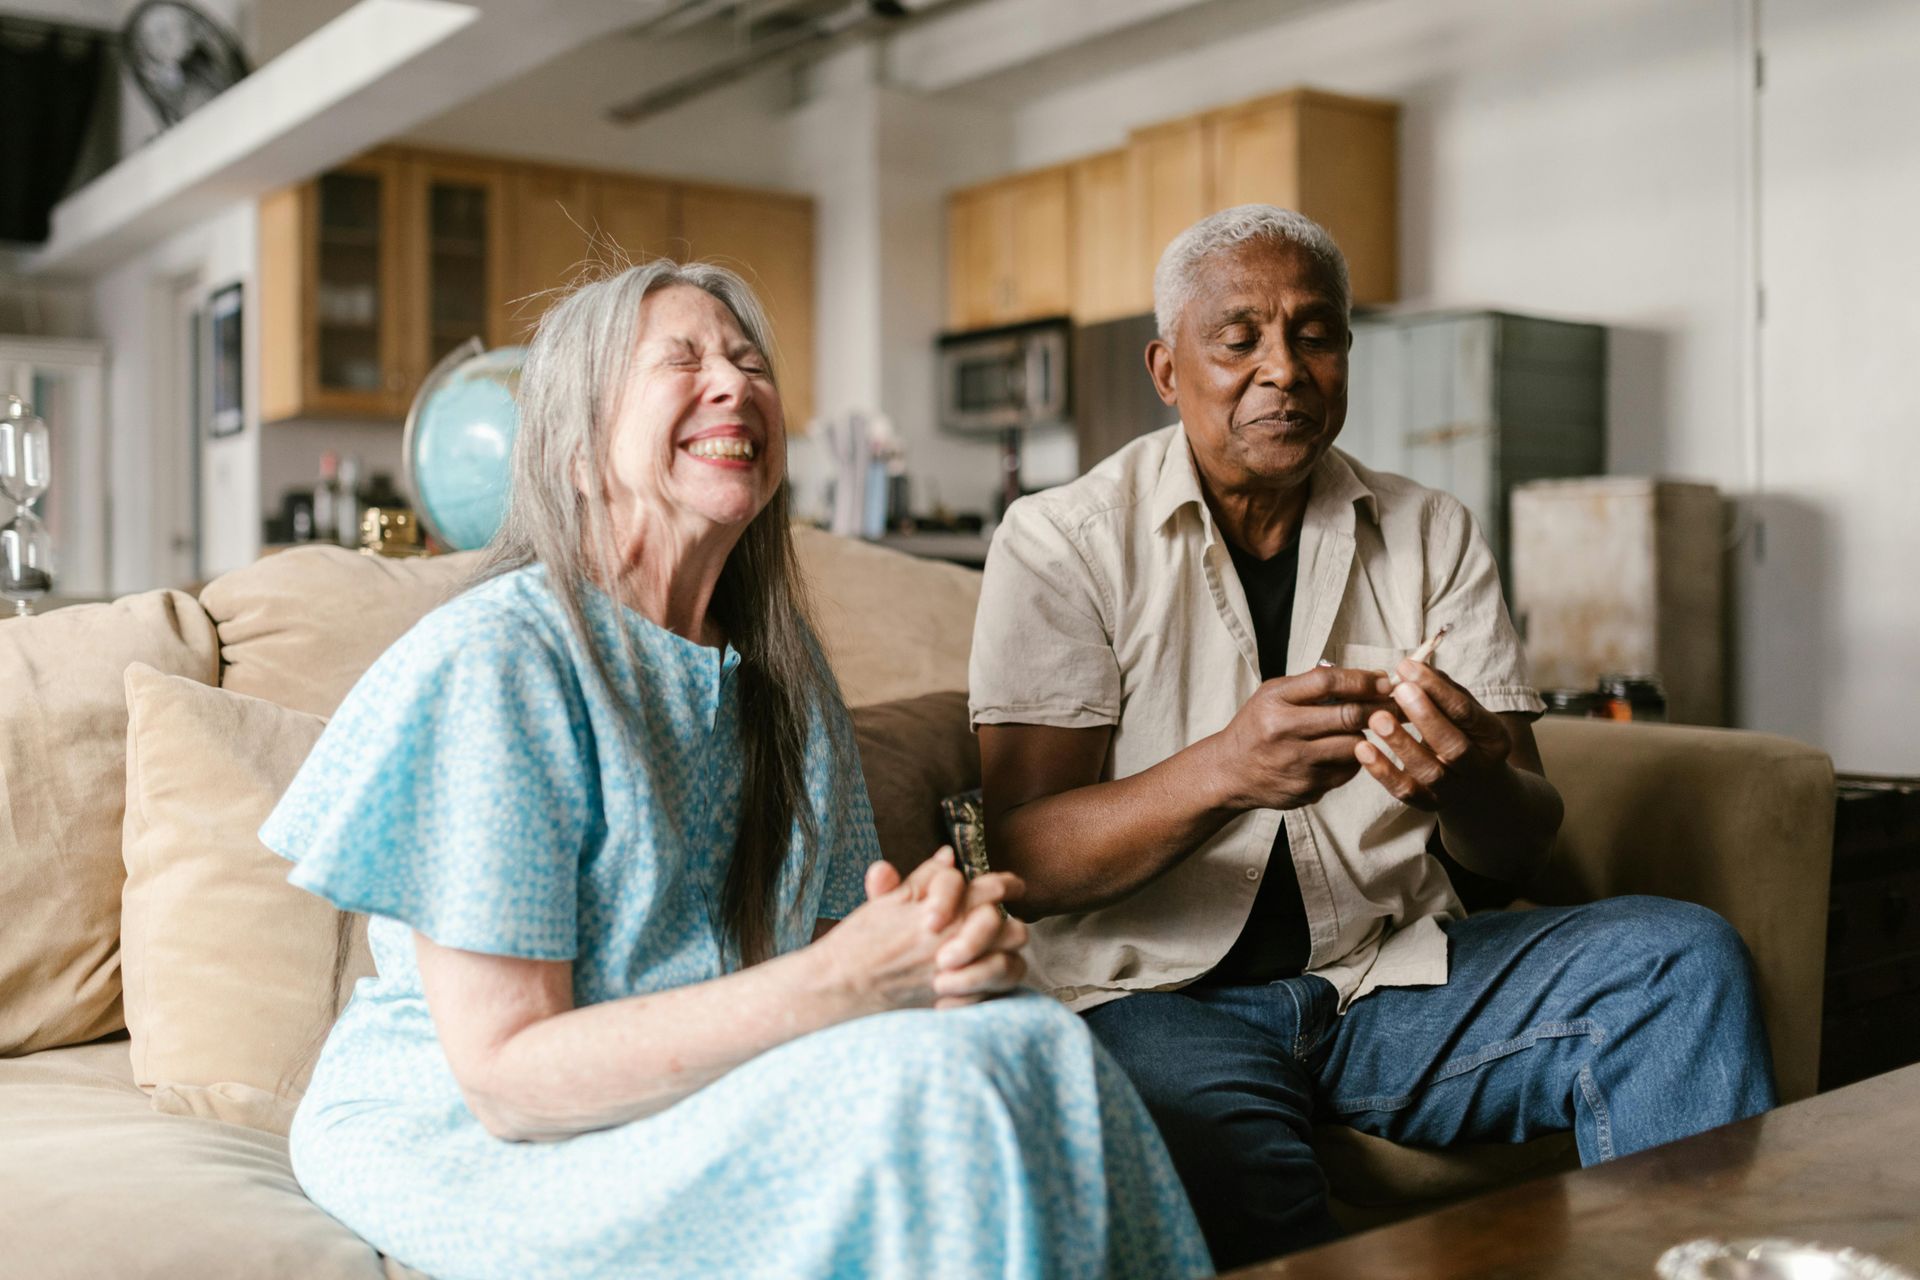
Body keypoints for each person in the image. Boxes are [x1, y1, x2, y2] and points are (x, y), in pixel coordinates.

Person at [262, 260, 1211, 1280]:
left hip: (693, 1085)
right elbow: (506, 1078)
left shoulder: (784, 679)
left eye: (748, 360)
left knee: (1033, 1039)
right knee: (940, 1096)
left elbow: (845, 942)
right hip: (471, 1131)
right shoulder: (500, 662)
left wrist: (935, 950)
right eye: (682, 358)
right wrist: (843, 979)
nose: (735, 383)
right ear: (578, 451)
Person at [969, 205, 1776, 1271]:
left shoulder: (1430, 530)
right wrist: (1225, 770)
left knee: (1680, 959)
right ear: (1168, 370)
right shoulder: (1064, 538)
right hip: (1151, 1001)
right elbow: (1020, 854)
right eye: (1240, 337)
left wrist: (1471, 779)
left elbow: (1520, 842)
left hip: (1384, 977)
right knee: (1211, 1152)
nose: (1284, 370)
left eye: (1316, 334)